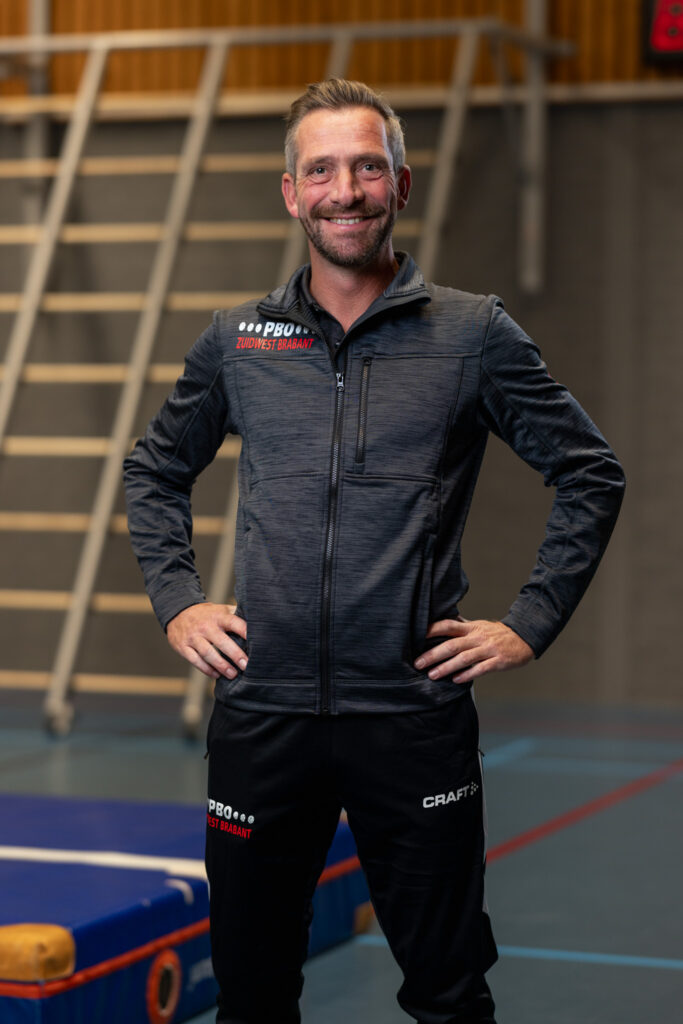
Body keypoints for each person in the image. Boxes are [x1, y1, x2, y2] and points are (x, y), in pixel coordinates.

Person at [123, 79, 624, 1024]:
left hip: (410, 719)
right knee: (251, 994)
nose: (344, 191)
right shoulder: (238, 341)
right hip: (263, 717)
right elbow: (154, 471)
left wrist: (529, 622)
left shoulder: (473, 334)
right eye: (321, 171)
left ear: (400, 183)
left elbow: (589, 473)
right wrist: (179, 600)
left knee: (447, 993)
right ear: (291, 193)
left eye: (365, 168)